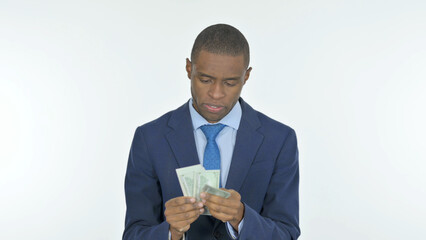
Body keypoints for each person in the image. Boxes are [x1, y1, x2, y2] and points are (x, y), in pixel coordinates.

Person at [123, 23, 300, 240]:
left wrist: (241, 217)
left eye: (230, 82)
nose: (216, 94)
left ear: (246, 76)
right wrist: (172, 232)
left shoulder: (280, 140)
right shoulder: (150, 138)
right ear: (189, 69)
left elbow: (287, 233)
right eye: (205, 80)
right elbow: (134, 234)